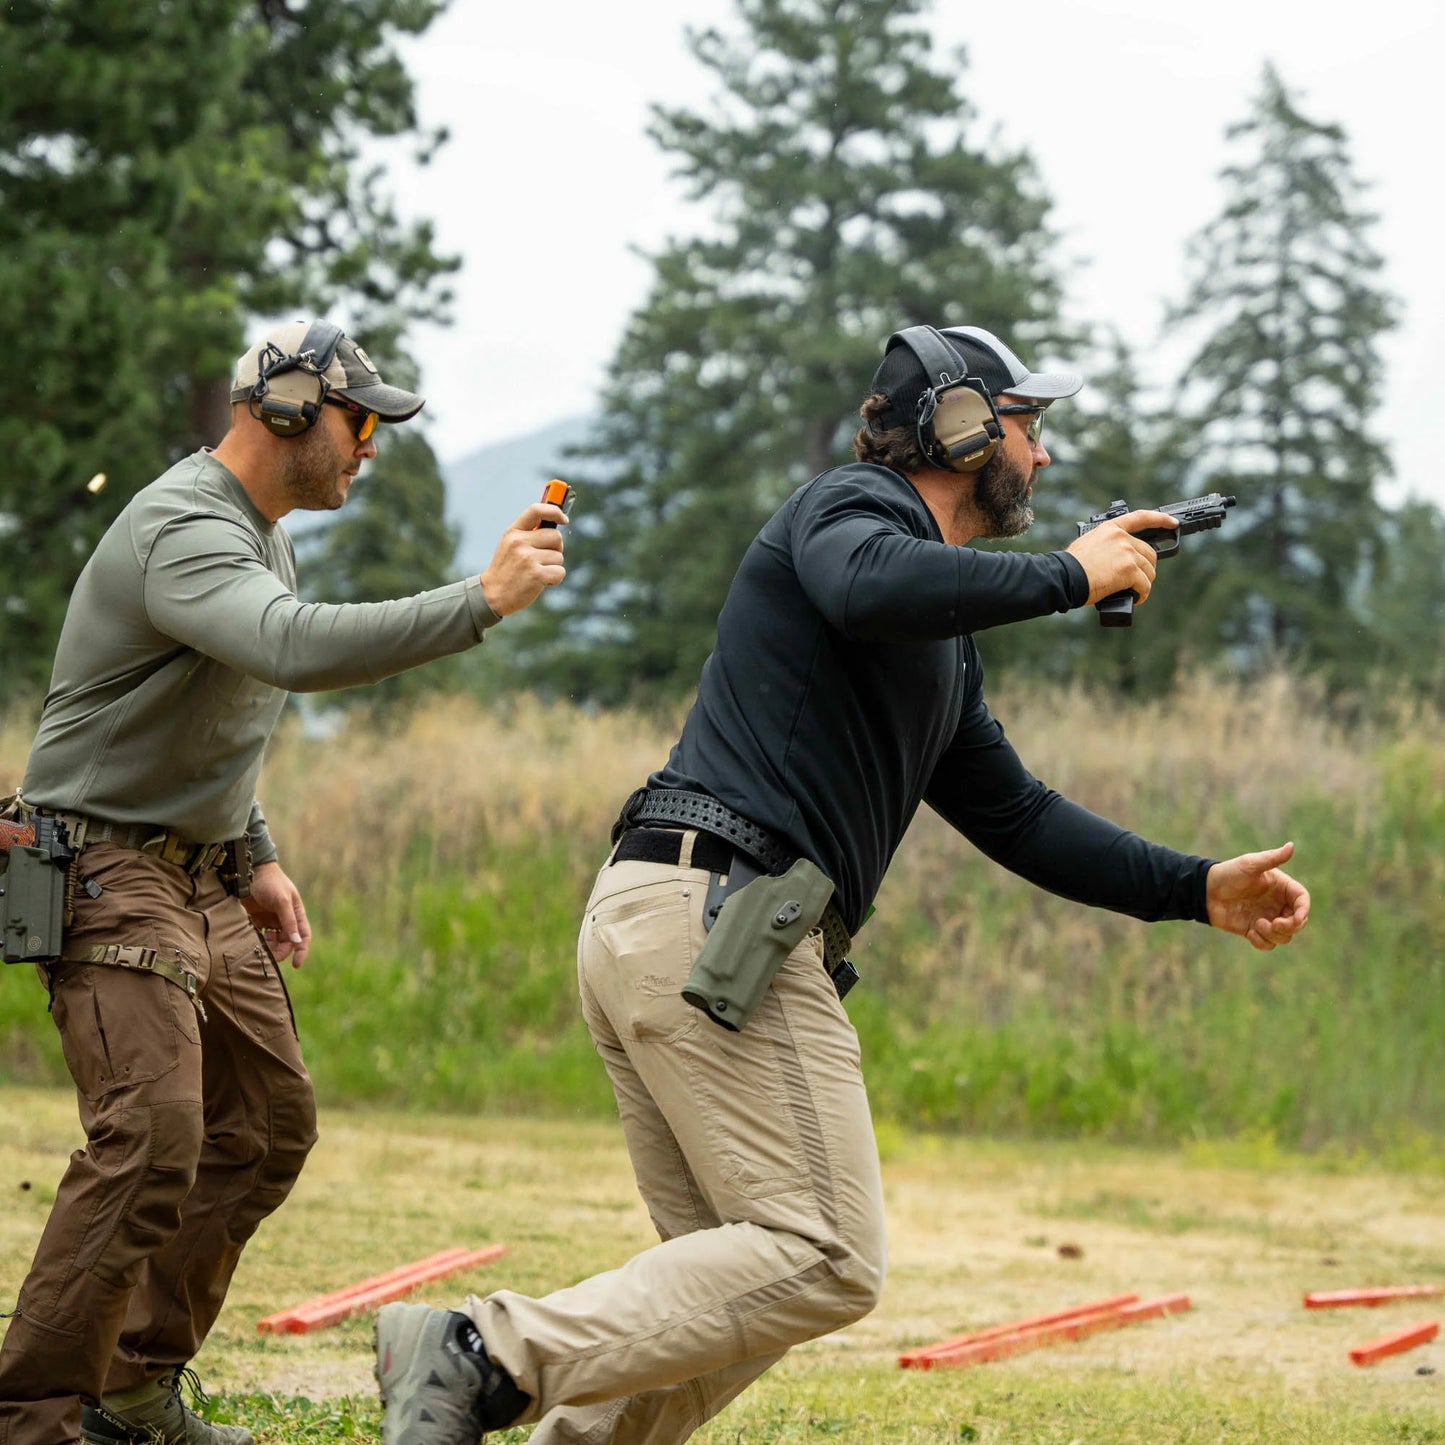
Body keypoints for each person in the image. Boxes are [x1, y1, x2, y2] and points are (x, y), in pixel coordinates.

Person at [372, 323, 1310, 1445]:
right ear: (960, 429)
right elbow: (870, 582)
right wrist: (1067, 574)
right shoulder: (845, 515)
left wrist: (1192, 886)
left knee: (737, 1295)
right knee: (821, 1251)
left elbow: (1016, 814)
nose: (1044, 456)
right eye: (1028, 425)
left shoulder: (938, 639)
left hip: (682, 918)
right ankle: (481, 1351)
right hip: (718, 919)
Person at [0, 320, 568, 1445]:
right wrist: (480, 601)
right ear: (295, 413)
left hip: (201, 874)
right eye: (363, 424)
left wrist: (253, 853)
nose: (370, 448)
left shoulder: (261, 533)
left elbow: (219, 703)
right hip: (106, 864)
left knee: (265, 1124)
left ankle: (127, 1388)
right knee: (153, 1131)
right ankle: (29, 1415)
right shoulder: (184, 527)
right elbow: (292, 648)